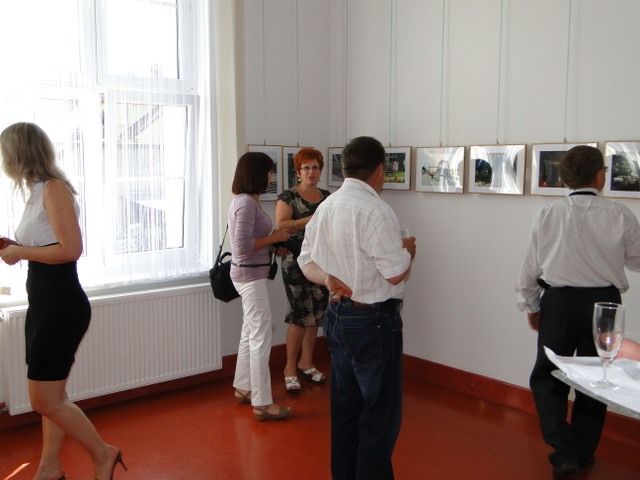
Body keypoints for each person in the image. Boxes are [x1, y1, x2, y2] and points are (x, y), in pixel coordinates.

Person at [0, 122, 125, 480]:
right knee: (53, 395)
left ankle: (104, 454)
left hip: (61, 305)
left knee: (43, 399)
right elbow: (46, 244)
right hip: (43, 303)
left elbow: (71, 250)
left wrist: (21, 251)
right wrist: (18, 247)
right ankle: (50, 467)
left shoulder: (54, 189)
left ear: (18, 154)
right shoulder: (37, 191)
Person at [516, 145, 640, 478]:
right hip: (605, 304)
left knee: (547, 376)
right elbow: (637, 259)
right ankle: (583, 451)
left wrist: (531, 304)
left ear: (565, 177)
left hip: (559, 302)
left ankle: (563, 451)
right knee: (599, 376)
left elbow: (530, 267)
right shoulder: (621, 214)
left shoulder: (548, 213)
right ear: (600, 176)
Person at [298, 136, 416, 480]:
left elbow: (306, 260)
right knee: (379, 415)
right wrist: (408, 250)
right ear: (380, 169)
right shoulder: (377, 211)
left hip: (338, 318)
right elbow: (394, 273)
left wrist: (327, 279)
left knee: (345, 411)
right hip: (373, 322)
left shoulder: (327, 206)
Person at [229, 151, 292, 421]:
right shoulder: (246, 203)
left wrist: (272, 245)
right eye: (269, 172)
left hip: (250, 274)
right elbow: (241, 247)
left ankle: (244, 387)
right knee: (260, 336)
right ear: (257, 174)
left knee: (250, 331)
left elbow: (252, 241)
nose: (271, 177)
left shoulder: (247, 201)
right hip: (249, 277)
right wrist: (275, 237)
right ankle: (262, 403)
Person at [275, 147, 331, 394]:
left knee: (316, 312)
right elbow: (282, 226)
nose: (311, 172)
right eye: (306, 168)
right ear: (298, 172)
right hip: (295, 261)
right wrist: (309, 220)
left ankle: (306, 362)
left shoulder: (327, 197)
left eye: (315, 167)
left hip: (321, 261)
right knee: (299, 313)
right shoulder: (288, 197)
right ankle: (289, 367)